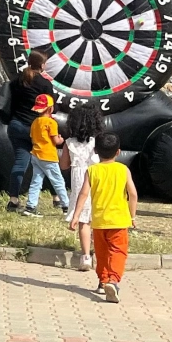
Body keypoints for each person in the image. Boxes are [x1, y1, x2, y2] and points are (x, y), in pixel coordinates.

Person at [69, 131, 136, 304]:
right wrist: (132, 215)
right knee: (117, 251)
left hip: (99, 221)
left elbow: (83, 194)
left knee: (101, 252)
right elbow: (133, 194)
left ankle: (103, 280)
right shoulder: (123, 169)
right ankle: (113, 280)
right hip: (119, 220)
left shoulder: (92, 171)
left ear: (96, 151)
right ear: (118, 152)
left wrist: (76, 216)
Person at [5, 51, 56, 213]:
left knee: (20, 162)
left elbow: (10, 104)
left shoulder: (17, 81)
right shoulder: (45, 84)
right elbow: (51, 107)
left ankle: (13, 200)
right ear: (42, 65)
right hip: (38, 127)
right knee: (48, 161)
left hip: (16, 124)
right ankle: (57, 197)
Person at [61, 106, 102, 272]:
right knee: (98, 219)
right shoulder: (97, 142)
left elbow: (63, 165)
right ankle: (99, 255)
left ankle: (85, 257)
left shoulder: (69, 143)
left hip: (79, 182)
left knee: (83, 220)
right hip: (97, 179)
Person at [23, 94, 69, 216]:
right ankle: (66, 206)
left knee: (36, 181)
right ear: (50, 109)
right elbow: (56, 141)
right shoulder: (51, 123)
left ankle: (30, 207)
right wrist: (61, 139)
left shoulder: (35, 122)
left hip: (36, 155)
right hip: (48, 156)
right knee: (58, 181)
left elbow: (33, 138)